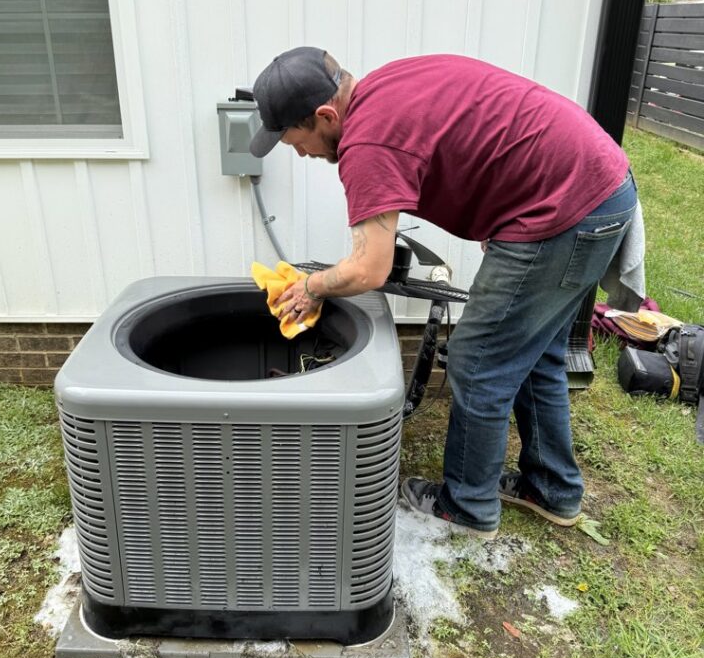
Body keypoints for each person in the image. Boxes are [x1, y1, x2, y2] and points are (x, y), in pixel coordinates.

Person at [249, 47, 637, 541]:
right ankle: (552, 489)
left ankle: (468, 505)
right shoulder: (386, 83)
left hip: (563, 207)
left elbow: (370, 267)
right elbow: (480, 134)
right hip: (598, 184)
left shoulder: (367, 145)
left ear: (326, 115)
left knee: (478, 360)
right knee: (536, 355)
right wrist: (500, 199)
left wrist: (311, 286)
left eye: (293, 139)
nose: (299, 153)